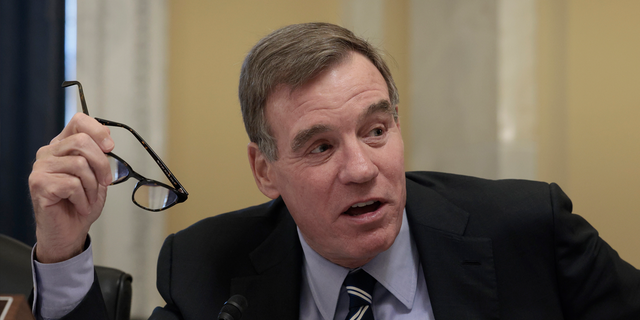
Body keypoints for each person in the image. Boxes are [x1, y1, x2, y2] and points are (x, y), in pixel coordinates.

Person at [29, 22, 640, 320]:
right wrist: (60, 250)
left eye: (376, 130)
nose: (360, 168)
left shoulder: (529, 229)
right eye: (319, 147)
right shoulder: (206, 269)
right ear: (265, 171)